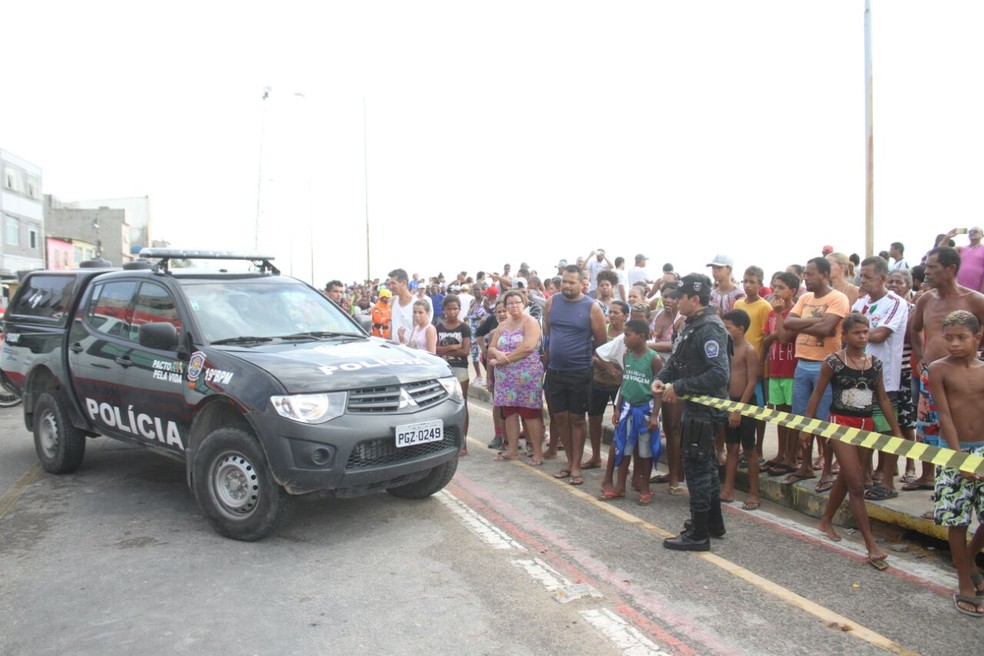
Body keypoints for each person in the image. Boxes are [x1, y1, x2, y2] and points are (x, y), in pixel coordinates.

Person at [811, 313, 901, 571]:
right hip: (840, 425)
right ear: (845, 336)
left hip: (866, 427)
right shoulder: (833, 363)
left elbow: (882, 399)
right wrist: (807, 427)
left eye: (865, 332)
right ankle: (870, 544)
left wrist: (896, 430)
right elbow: (818, 393)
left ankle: (826, 520)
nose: (862, 337)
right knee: (857, 483)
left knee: (847, 477)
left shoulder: (875, 363)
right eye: (857, 333)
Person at [652, 273, 731, 551]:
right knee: (705, 466)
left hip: (704, 408)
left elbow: (719, 374)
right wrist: (663, 376)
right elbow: (677, 357)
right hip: (695, 406)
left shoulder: (710, 328)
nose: (675, 300)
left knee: (697, 469)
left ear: (694, 299)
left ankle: (698, 533)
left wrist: (681, 386)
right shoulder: (691, 324)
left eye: (680, 296)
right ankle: (712, 523)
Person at [907, 247, 984, 498]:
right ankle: (933, 482)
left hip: (963, 378)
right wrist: (920, 355)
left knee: (959, 428)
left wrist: (974, 356)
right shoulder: (926, 299)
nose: (926, 272)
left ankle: (963, 483)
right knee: (928, 430)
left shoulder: (974, 300)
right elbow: (915, 329)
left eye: (932, 267)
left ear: (950, 269)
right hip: (931, 375)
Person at [926, 310, 984, 617]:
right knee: (957, 519)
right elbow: (944, 414)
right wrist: (959, 455)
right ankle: (964, 580)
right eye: (948, 338)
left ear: (977, 338)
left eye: (961, 337)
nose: (955, 344)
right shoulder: (939, 369)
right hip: (952, 451)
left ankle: (970, 560)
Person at [774, 257, 850, 491]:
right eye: (804, 273)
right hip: (802, 364)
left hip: (825, 365)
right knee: (800, 419)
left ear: (825, 274)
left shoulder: (838, 298)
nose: (805, 277)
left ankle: (826, 469)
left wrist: (803, 323)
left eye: (810, 274)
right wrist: (815, 321)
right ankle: (805, 465)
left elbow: (828, 329)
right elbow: (788, 326)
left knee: (823, 420)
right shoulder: (805, 298)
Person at [543, 264, 608, 485]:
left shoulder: (592, 307)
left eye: (572, 282)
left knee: (577, 419)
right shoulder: (552, 302)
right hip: (555, 371)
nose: (567, 285)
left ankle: (577, 467)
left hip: (580, 372)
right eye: (564, 281)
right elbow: (548, 334)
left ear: (582, 284)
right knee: (560, 418)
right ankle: (569, 463)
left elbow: (601, 341)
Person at [852, 256, 908, 499]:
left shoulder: (895, 303)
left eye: (868, 276)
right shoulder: (860, 303)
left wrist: (855, 334)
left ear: (883, 278)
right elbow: (850, 334)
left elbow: (880, 334)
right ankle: (863, 476)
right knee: (862, 428)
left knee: (886, 429)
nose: (863, 280)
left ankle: (887, 481)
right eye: (861, 276)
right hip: (857, 376)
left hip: (885, 378)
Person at [600, 319, 662, 504]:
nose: (624, 339)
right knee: (623, 448)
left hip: (645, 409)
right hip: (627, 407)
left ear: (642, 336)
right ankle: (620, 486)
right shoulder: (627, 356)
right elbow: (625, 383)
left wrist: (654, 416)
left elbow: (659, 390)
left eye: (628, 335)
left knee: (645, 451)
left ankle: (645, 487)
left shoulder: (654, 359)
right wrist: (618, 408)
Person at [487, 290, 546, 465]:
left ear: (524, 303)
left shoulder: (531, 322)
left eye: (517, 302)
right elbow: (491, 347)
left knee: (530, 413)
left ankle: (537, 452)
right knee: (509, 412)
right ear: (505, 306)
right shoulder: (502, 325)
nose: (514, 305)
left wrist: (504, 359)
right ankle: (512, 449)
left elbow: (528, 347)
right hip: (505, 377)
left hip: (527, 375)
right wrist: (497, 353)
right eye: (510, 303)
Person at [719, 309, 761, 510]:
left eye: (727, 328)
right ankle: (728, 488)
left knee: (750, 449)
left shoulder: (749, 351)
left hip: (745, 403)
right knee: (731, 447)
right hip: (729, 401)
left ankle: (754, 492)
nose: (725, 331)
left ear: (741, 328)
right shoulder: (726, 349)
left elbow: (752, 382)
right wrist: (728, 405)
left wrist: (738, 409)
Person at [761, 272, 800, 476]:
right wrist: (775, 334)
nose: (776, 291)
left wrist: (778, 317)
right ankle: (781, 452)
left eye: (781, 288)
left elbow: (783, 338)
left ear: (792, 291)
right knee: (780, 414)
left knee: (791, 414)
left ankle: (792, 457)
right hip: (775, 369)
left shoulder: (794, 312)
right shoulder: (770, 314)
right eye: (774, 287)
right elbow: (766, 340)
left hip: (791, 370)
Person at [585, 300, 628, 470]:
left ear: (625, 315)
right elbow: (594, 353)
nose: (612, 315)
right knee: (594, 419)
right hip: (598, 380)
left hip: (620, 384)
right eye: (610, 312)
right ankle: (595, 456)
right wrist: (609, 368)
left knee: (621, 420)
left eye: (616, 312)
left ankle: (620, 459)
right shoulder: (603, 330)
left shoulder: (628, 333)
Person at [436, 295, 472, 456]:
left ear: (459, 309)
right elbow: (435, 349)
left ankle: (462, 442)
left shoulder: (464, 327)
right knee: (443, 405)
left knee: (461, 403)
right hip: (444, 369)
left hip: (460, 370)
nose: (452, 312)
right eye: (449, 308)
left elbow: (465, 351)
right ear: (444, 310)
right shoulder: (439, 328)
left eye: (455, 308)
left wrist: (446, 348)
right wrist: (454, 346)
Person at [388, 268, 431, 346]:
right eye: (389, 284)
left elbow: (420, 330)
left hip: (410, 352)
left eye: (393, 283)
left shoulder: (416, 304)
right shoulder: (393, 301)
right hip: (394, 350)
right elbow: (393, 326)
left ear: (403, 283)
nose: (390, 287)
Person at [939, 227, 984, 292]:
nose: (972, 233)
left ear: (982, 235)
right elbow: (942, 251)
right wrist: (947, 237)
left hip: (977, 289)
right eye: (970, 232)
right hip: (959, 288)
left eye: (975, 231)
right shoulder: (961, 249)